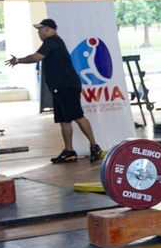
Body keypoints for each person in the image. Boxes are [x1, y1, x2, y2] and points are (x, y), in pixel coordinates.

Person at [7, 18, 103, 164]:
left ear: (47, 28)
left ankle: (95, 147)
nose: (38, 33)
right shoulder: (52, 42)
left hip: (67, 86)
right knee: (64, 119)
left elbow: (36, 57)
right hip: (58, 88)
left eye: (39, 29)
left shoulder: (52, 41)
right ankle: (69, 151)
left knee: (77, 116)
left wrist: (18, 61)